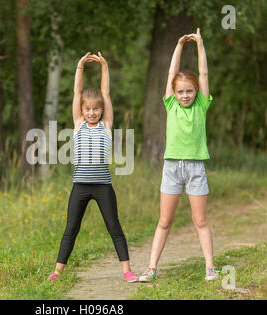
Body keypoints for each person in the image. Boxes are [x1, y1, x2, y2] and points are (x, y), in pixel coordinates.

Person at [49, 52, 138, 283]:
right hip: (80, 186)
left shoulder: (106, 125)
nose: (91, 113)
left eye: (95, 109)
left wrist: (105, 67)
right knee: (71, 228)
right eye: (87, 109)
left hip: (103, 186)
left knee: (114, 227)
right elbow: (77, 92)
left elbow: (105, 93)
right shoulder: (78, 124)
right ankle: (57, 271)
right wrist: (79, 67)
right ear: (82, 110)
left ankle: (127, 270)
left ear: (101, 110)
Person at [139, 28, 219, 282]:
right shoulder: (170, 103)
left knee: (200, 220)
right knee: (164, 221)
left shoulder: (202, 104)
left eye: (189, 91)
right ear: (174, 93)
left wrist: (200, 46)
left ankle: (210, 269)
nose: (185, 95)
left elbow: (204, 73)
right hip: (172, 168)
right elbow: (171, 73)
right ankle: (151, 268)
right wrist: (179, 45)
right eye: (181, 91)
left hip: (195, 168)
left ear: (196, 91)